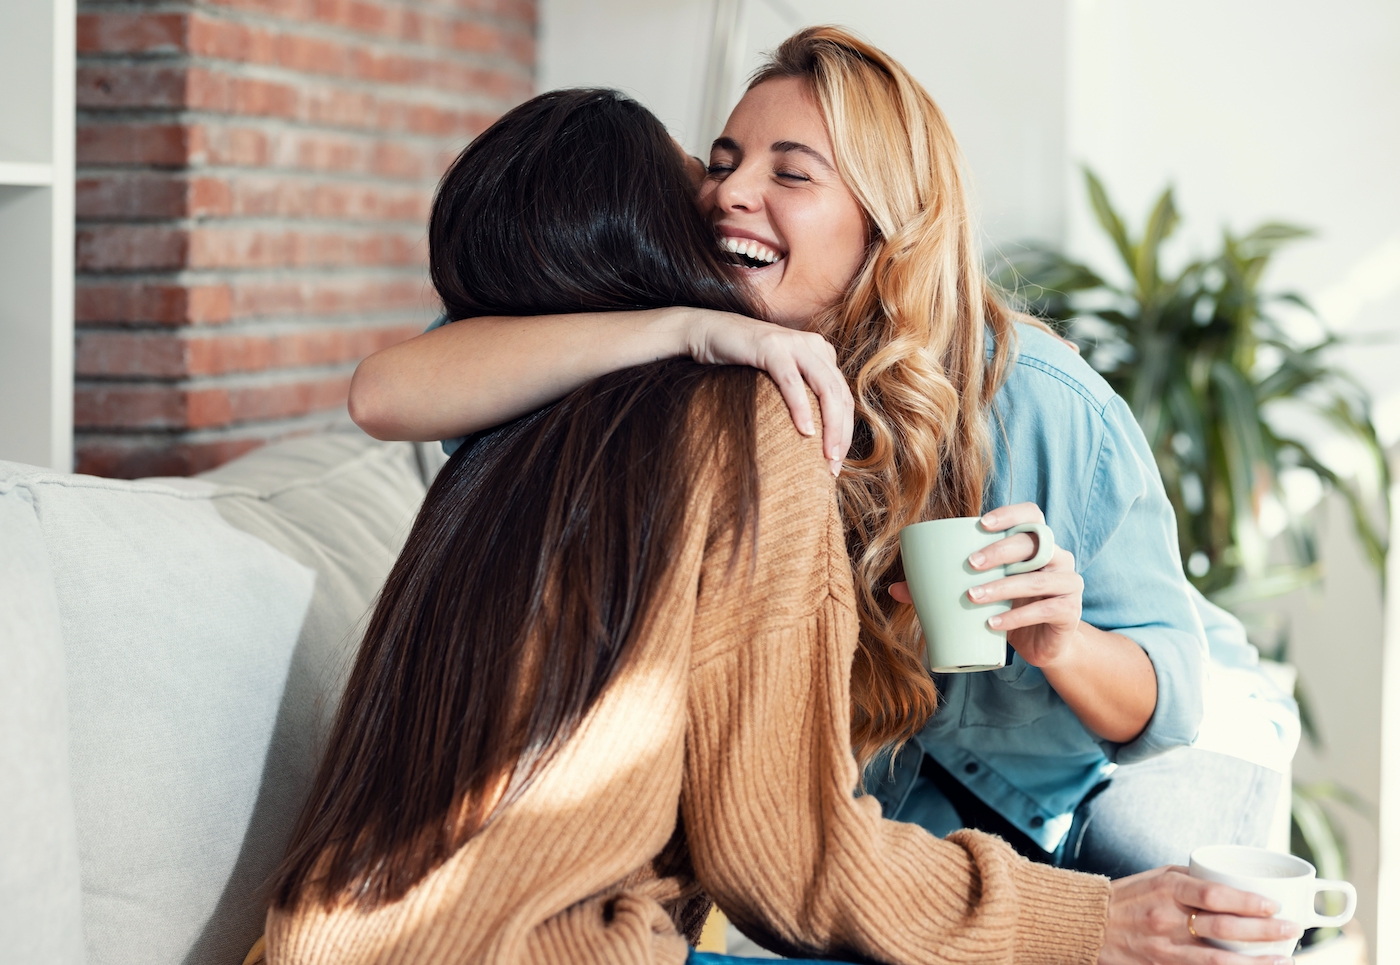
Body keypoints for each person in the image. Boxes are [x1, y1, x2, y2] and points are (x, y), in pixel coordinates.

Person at [259, 88, 1297, 965]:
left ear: (885, 224)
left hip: (1111, 750)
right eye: (715, 165)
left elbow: (1166, 703)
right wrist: (686, 326)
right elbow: (386, 388)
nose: (728, 193)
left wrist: (1058, 641)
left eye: (790, 171)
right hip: (839, 816)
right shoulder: (610, 378)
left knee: (1174, 876)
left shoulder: (1028, 397)